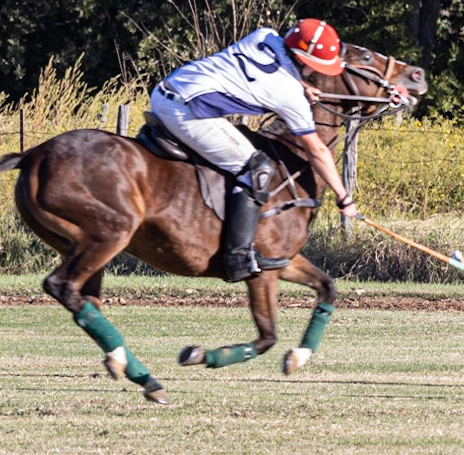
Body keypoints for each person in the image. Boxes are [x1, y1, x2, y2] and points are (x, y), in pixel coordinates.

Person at [149, 19, 358, 282]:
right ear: (304, 62)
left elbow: (272, 68)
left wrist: (303, 86)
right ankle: (238, 256)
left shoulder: (264, 35)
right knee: (256, 167)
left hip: (165, 92)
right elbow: (317, 151)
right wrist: (343, 196)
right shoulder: (290, 95)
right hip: (184, 111)